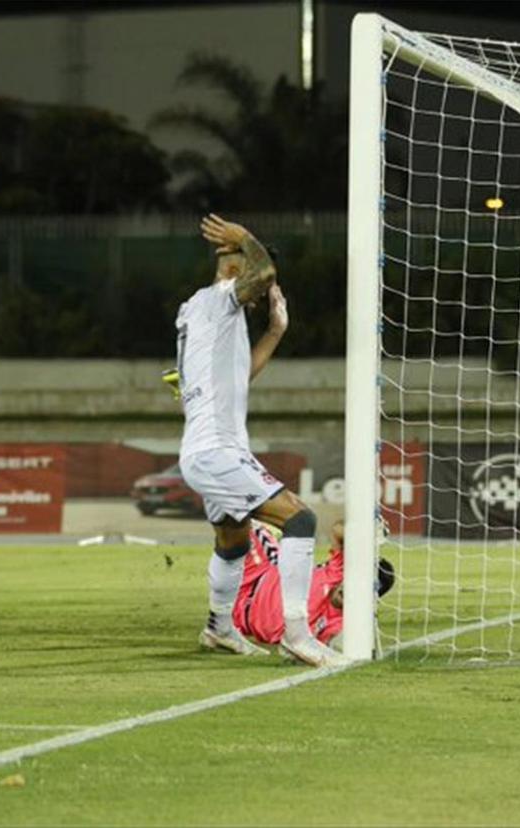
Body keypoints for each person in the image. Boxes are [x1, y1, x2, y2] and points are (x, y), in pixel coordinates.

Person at [176, 213, 342, 667]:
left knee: (234, 542)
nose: (262, 295)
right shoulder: (219, 300)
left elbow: (238, 376)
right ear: (234, 268)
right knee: (300, 519)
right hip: (216, 450)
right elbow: (264, 272)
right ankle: (297, 634)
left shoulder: (200, 311)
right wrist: (245, 238)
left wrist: (274, 331)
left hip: (208, 449)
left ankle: (219, 628)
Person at [233, 520, 396, 652]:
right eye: (356, 582)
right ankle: (273, 535)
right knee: (237, 518)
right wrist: (365, 538)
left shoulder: (340, 624)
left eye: (362, 592)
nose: (351, 590)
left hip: (241, 618)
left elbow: (335, 644)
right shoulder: (338, 570)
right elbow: (338, 529)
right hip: (259, 572)